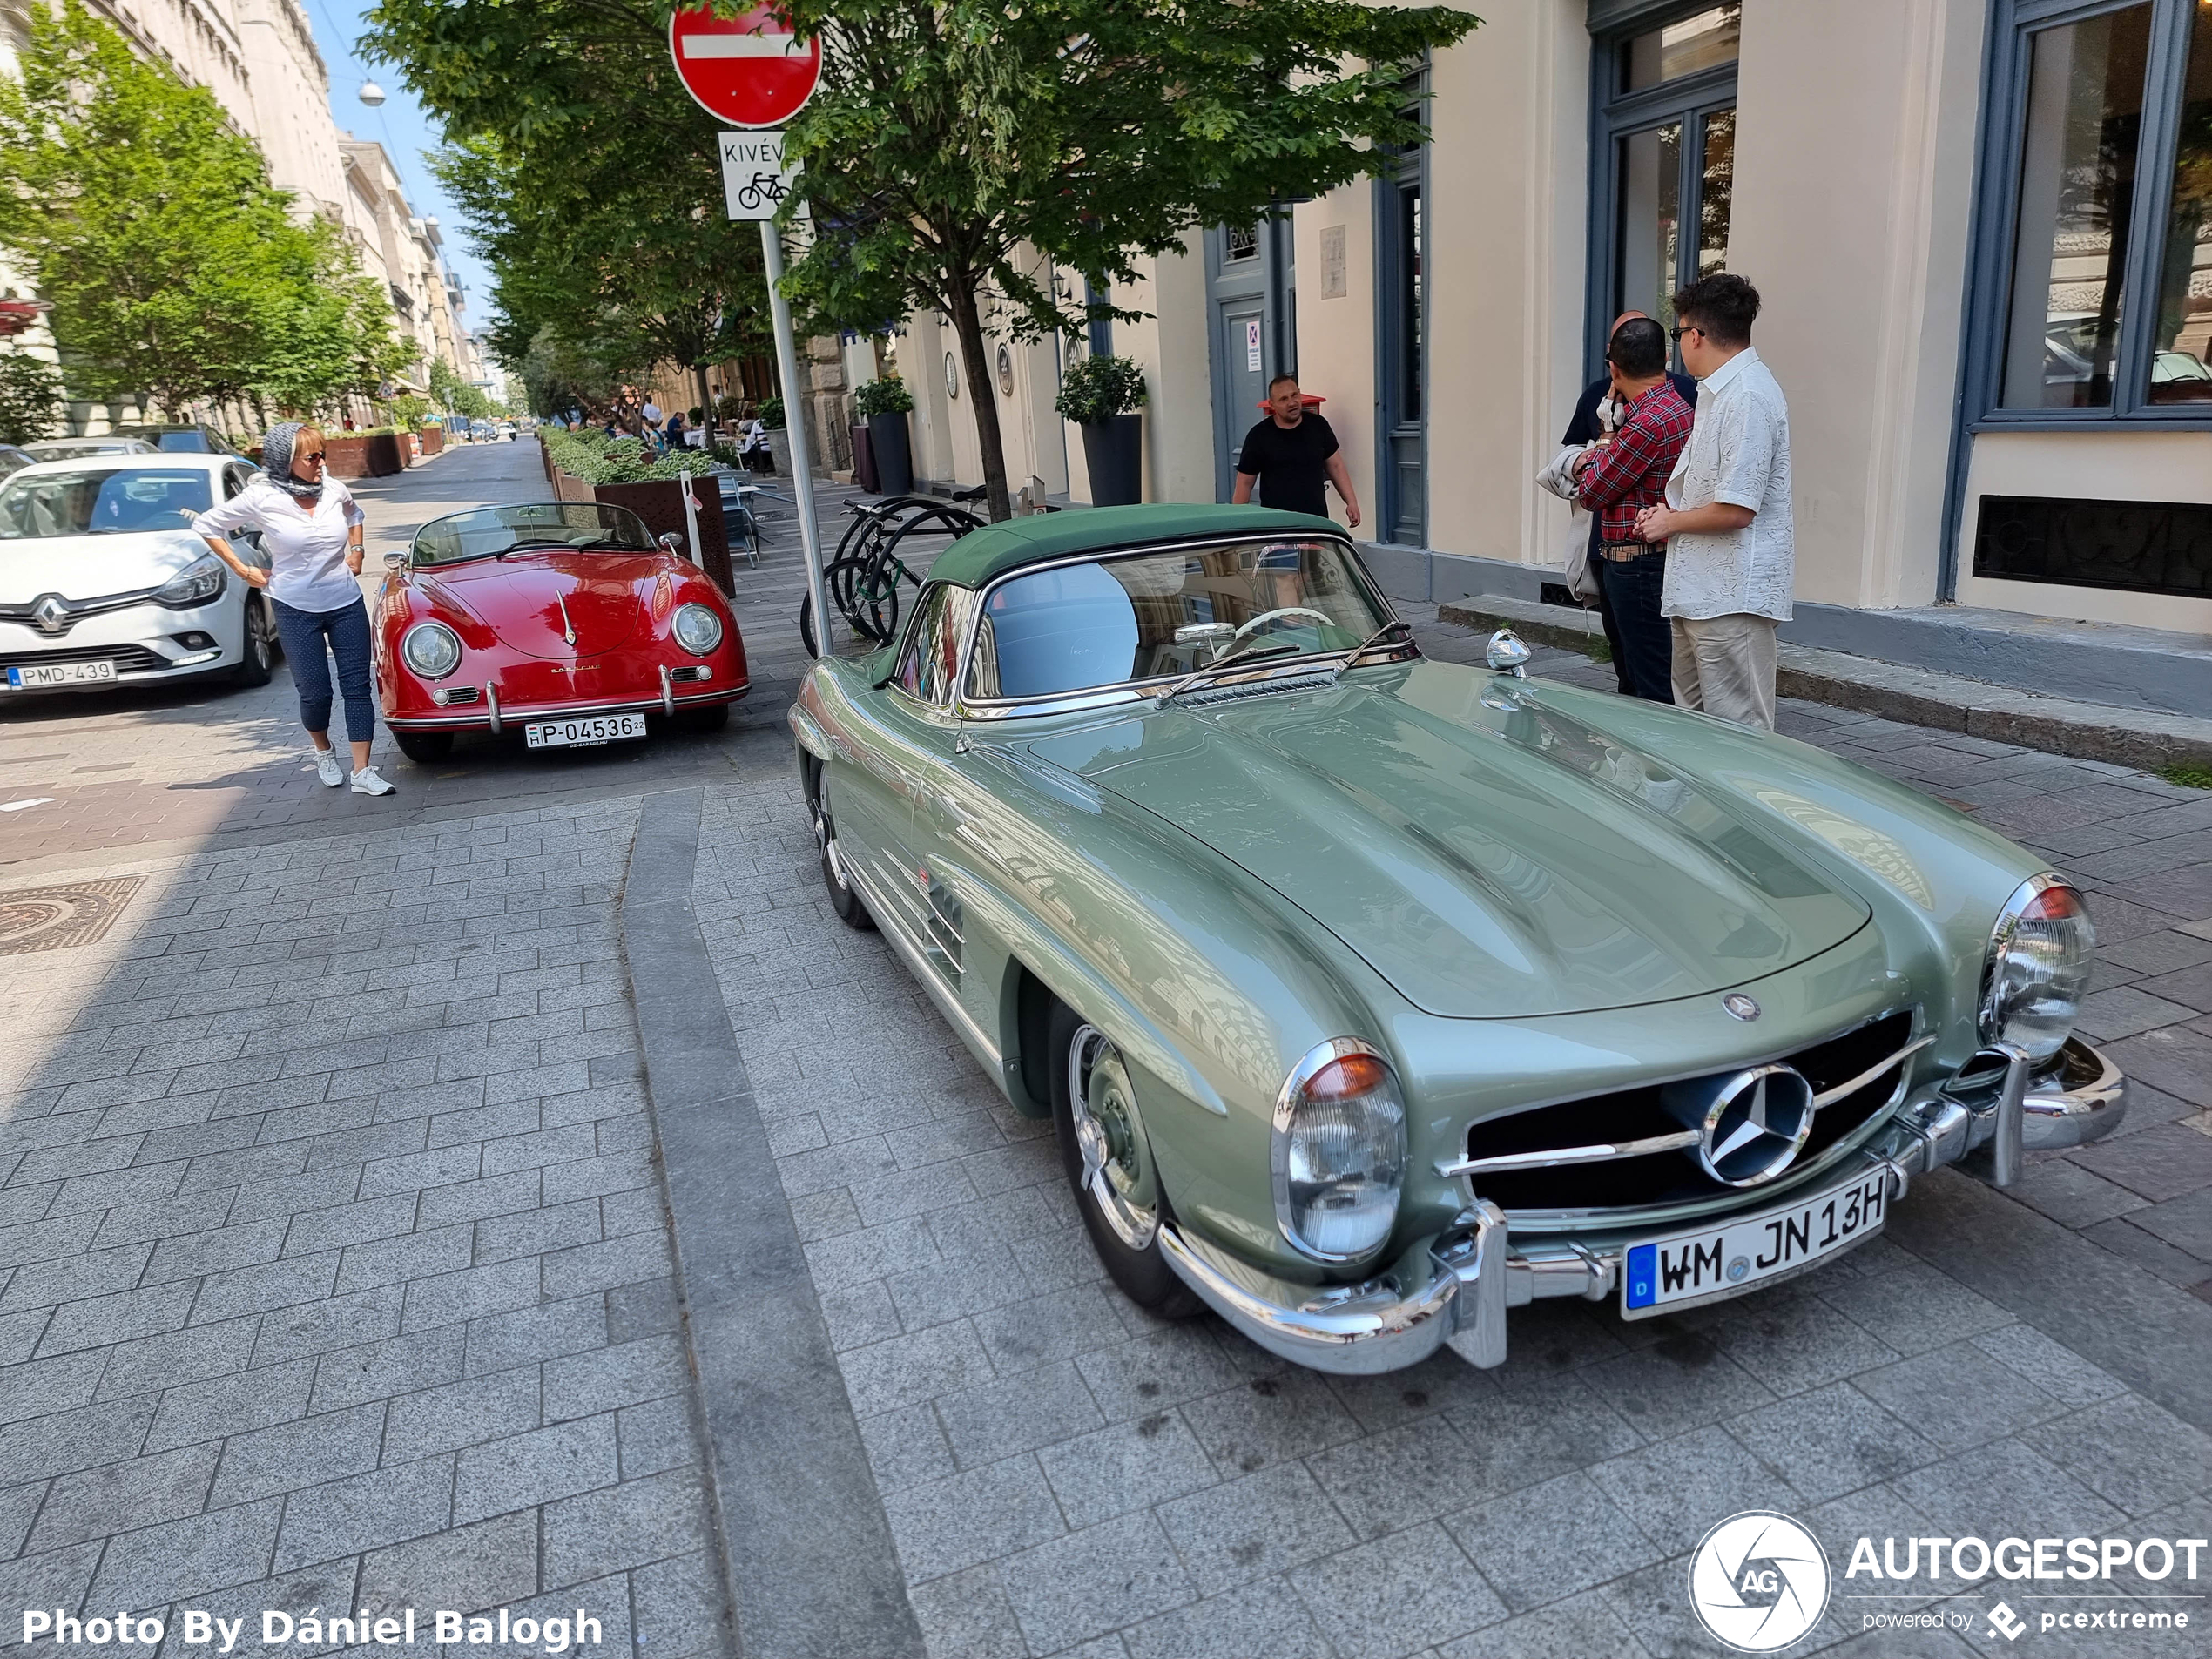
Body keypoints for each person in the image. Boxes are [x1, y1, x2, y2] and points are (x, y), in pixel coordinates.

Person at [191, 422, 395, 795]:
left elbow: (356, 515)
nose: (321, 463)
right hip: (294, 604)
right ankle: (323, 750)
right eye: (311, 456)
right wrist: (242, 569)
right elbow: (208, 525)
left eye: (323, 454)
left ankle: (363, 771)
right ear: (286, 461)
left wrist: (357, 551)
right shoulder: (263, 497)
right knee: (315, 692)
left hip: (345, 601)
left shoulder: (334, 489)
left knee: (357, 686)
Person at [1635, 273, 1795, 731]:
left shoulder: (1747, 395)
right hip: (1701, 591)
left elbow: (1737, 509)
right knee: (1696, 735)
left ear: (1696, 335)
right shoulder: (1722, 392)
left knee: (1739, 737)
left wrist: (1670, 523)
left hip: (1731, 597)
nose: (1679, 344)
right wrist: (1672, 517)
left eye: (1678, 333)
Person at [1561, 311, 1698, 693]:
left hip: (1638, 564)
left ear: (1614, 368)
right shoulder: (1675, 405)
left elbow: (1592, 491)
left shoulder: (1645, 423)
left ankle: (1649, 753)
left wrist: (1606, 435)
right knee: (1649, 675)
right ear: (1666, 359)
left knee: (1647, 685)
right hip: (1651, 558)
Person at [1231, 374, 1360, 529]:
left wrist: (1351, 502)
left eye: (1294, 395)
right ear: (1272, 405)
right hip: (1277, 526)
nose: (1292, 402)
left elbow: (1336, 466)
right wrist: (1238, 523)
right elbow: (1245, 483)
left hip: (1315, 522)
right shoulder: (1259, 436)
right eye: (1283, 399)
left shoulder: (1318, 426)